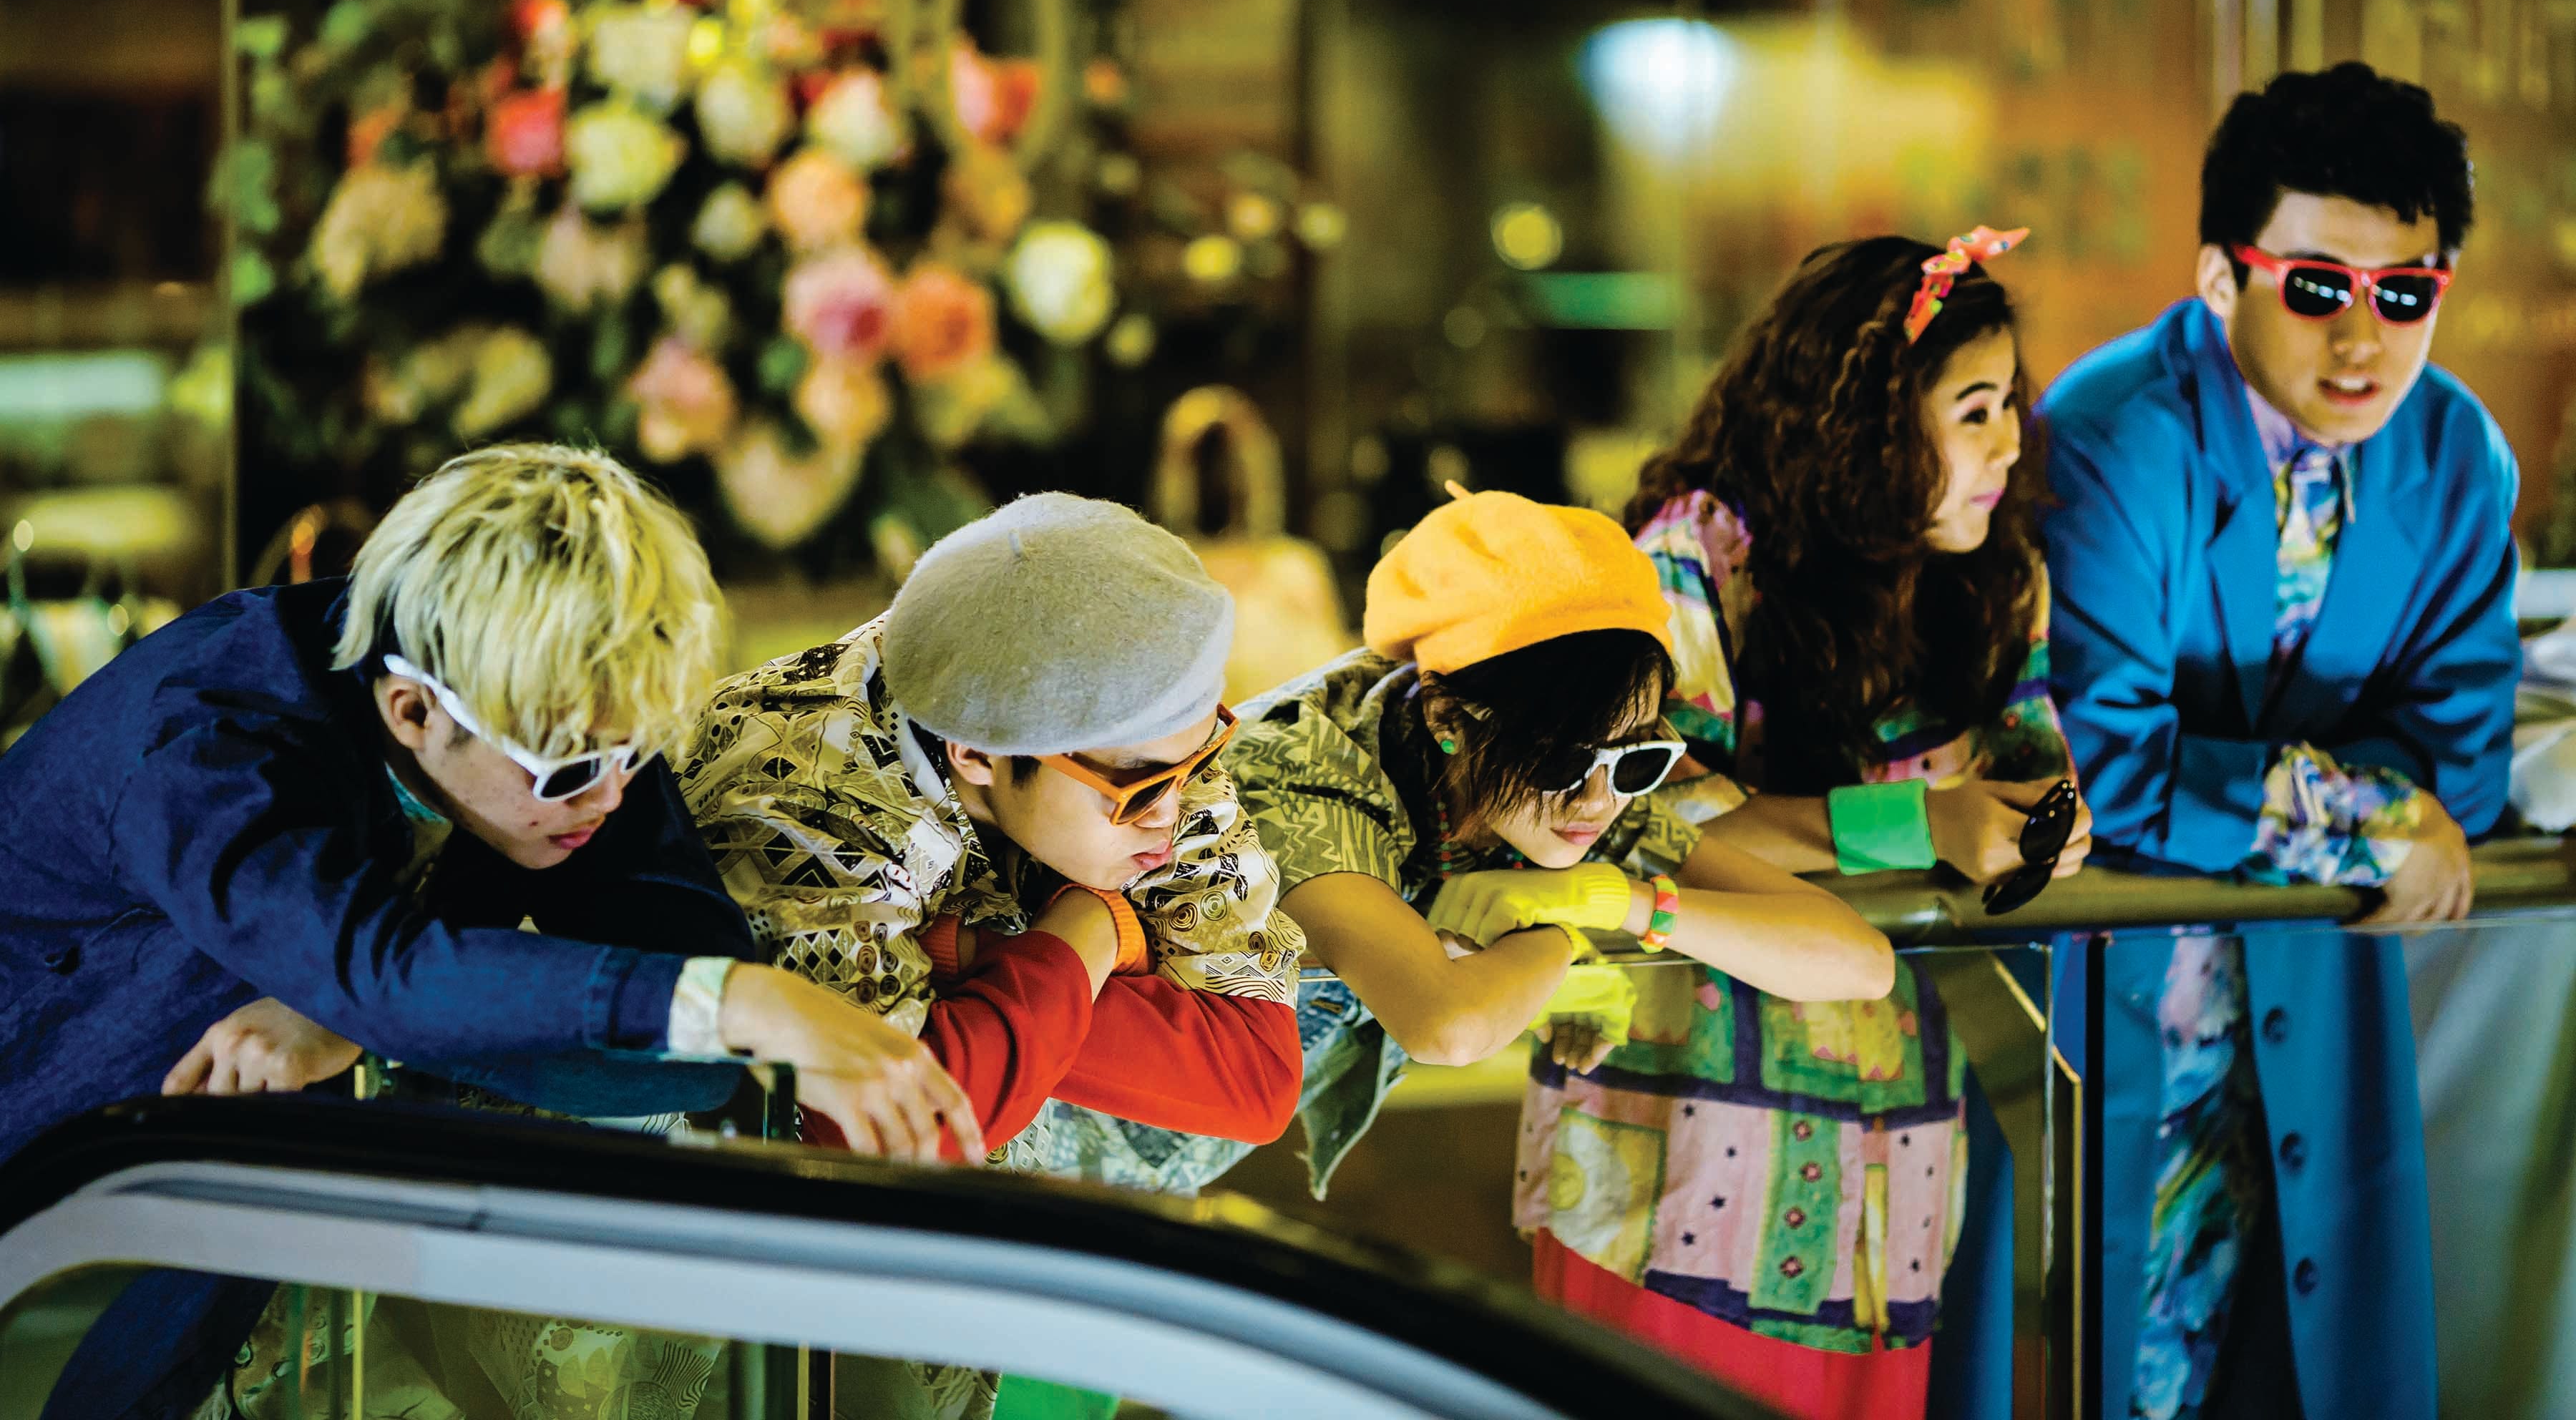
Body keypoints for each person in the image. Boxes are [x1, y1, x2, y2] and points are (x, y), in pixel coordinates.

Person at [0, 444, 981, 1420]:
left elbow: (682, 1045)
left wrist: (361, 1011)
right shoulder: (209, 755)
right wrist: (746, 1003)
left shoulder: (549, 716)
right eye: (566, 773)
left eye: (636, 753)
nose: (609, 798)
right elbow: (410, 980)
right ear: (413, 710)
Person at [2040, 62, 2514, 1420]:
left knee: (2320, 1367)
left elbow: (2464, 764)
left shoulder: (2456, 455)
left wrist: (2314, 800)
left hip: (2324, 994)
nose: (2362, 341)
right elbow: (2107, 770)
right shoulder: (2117, 433)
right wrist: (2372, 818)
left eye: (2405, 292)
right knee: (2121, 1366)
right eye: (2315, 286)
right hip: (2121, 995)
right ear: (2217, 278)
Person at [1572, 230, 2092, 1420]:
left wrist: (2049, 821)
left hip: (1892, 1148)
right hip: (1682, 1129)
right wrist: (1922, 822)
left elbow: (2025, 760)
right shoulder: (1691, 554)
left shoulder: (1990, 573)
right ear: (1865, 414)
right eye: (1973, 410)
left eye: (2011, 403)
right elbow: (1653, 816)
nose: (2011, 442)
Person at [678, 492, 1306, 1420]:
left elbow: (1258, 1077)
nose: (1174, 819)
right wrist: (1090, 930)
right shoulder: (807, 794)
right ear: (975, 757)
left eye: (1200, 758)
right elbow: (911, 1144)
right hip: (735, 1293)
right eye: (1136, 793)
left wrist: (964, 962)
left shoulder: (1143, 734)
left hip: (1014, 1279)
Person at [1211, 489, 1895, 1241]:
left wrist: (1618, 901)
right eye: (1566, 758)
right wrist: (1562, 934)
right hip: (1075, 1138)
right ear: (1447, 718)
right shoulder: (1310, 768)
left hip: (1205, 1151)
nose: (1600, 798)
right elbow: (1447, 1025)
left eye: (1636, 755)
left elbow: (1860, 962)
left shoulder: (1576, 777)